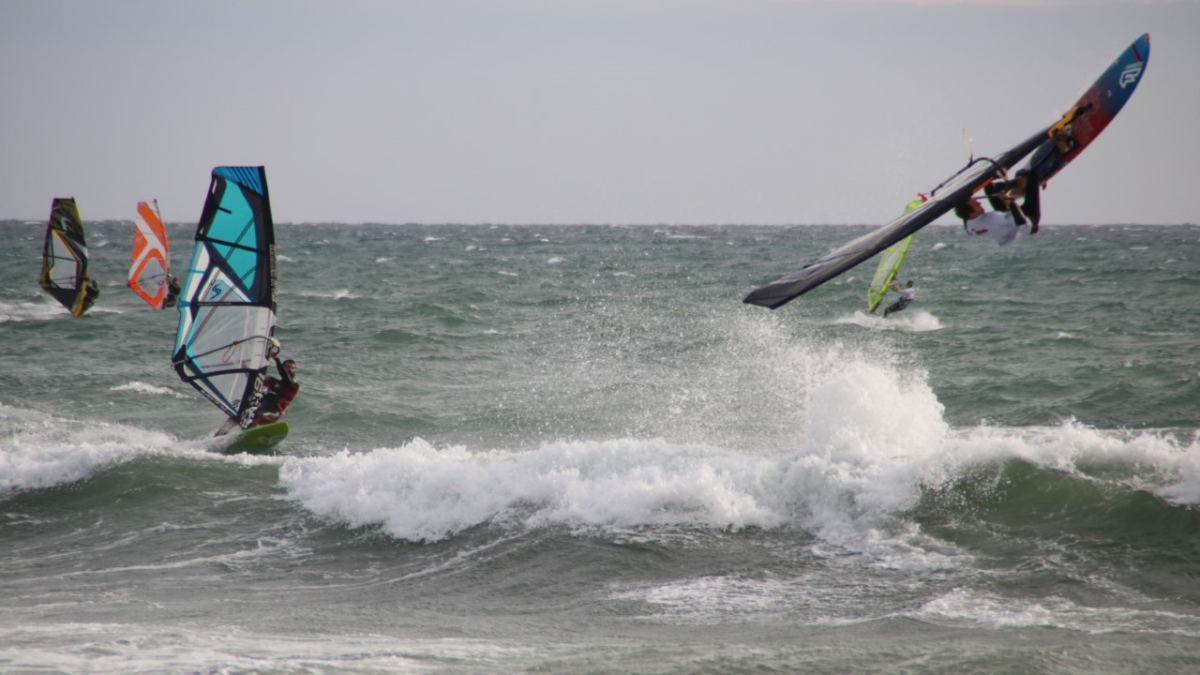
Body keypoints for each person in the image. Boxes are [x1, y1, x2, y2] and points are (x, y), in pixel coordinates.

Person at [249, 347, 299, 428]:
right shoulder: (273, 382)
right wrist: (245, 366)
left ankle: (246, 434)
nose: (290, 370)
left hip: (273, 414)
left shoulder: (294, 386)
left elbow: (285, 376)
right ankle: (222, 435)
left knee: (257, 414)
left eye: (293, 368)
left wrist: (276, 359)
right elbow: (257, 378)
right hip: (261, 407)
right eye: (288, 367)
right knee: (242, 415)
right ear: (284, 368)